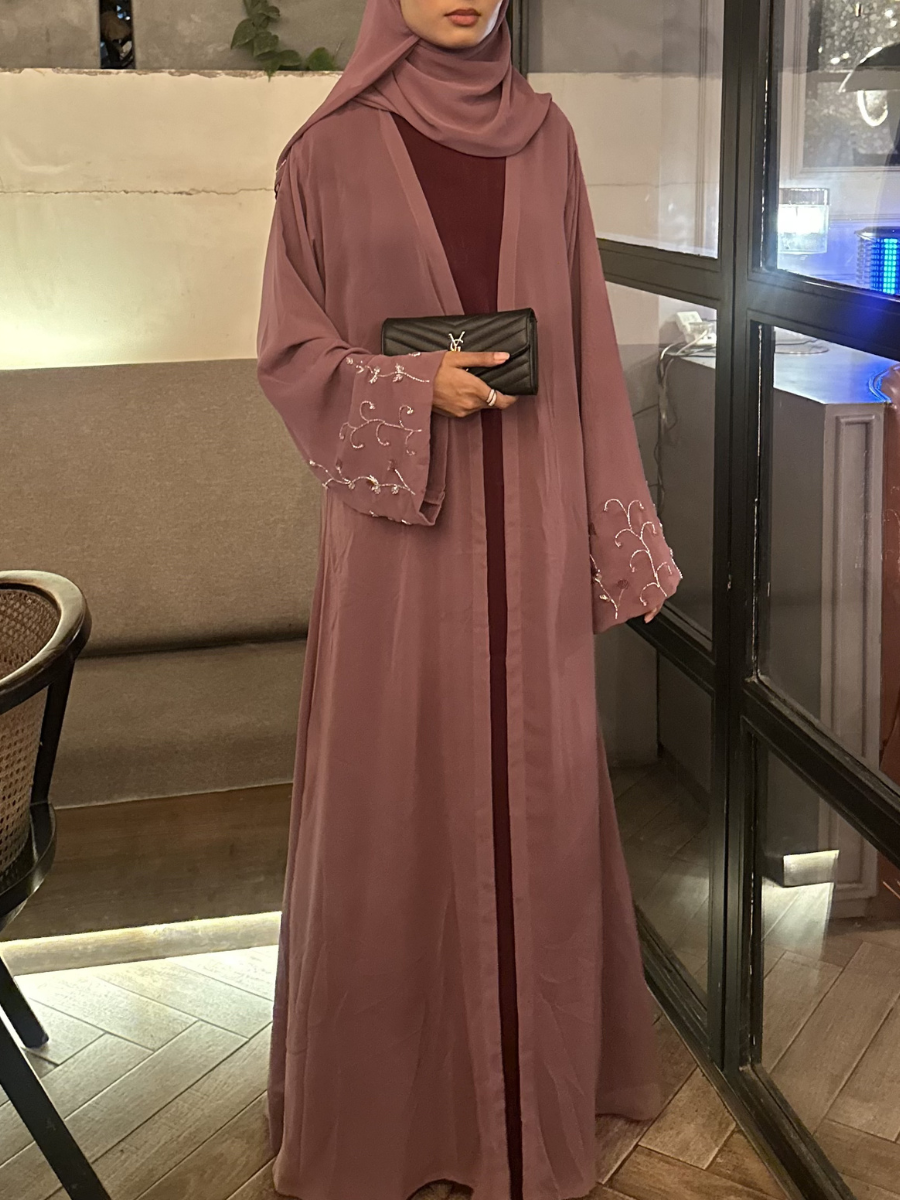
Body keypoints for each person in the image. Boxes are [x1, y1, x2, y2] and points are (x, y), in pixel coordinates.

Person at [256, 2, 682, 1198]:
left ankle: (534, 1104)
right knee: (394, 802)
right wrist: (408, 388)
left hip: (534, 527)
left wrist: (613, 533)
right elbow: (290, 359)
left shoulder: (547, 139)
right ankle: (396, 1113)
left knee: (539, 799)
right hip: (403, 550)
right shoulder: (325, 153)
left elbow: (587, 351)